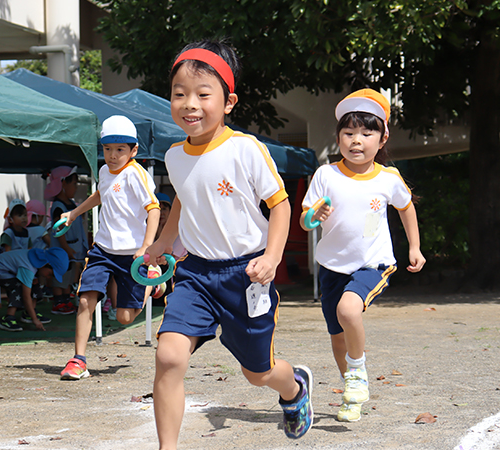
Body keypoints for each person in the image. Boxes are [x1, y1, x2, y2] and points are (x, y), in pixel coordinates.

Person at [144, 40, 313, 446]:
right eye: (180, 94)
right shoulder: (173, 156)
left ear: (229, 101)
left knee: (257, 373)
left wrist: (272, 257)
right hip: (196, 274)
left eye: (203, 95)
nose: (190, 104)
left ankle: (294, 390)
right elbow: (185, 196)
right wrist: (163, 243)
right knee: (168, 356)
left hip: (247, 274)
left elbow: (281, 206)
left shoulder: (245, 149)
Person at [300, 88, 426, 422]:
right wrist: (315, 216)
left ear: (382, 138)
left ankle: (357, 373)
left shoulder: (388, 178)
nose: (357, 140)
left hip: (374, 262)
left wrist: (414, 246)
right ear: (339, 137)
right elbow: (304, 219)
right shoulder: (326, 175)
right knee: (338, 338)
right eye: (349, 132)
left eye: (367, 133)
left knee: (349, 310)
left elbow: (406, 206)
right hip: (330, 266)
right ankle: (352, 392)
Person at [59, 115, 160, 381]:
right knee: (85, 300)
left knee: (125, 318)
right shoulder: (104, 171)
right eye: (107, 149)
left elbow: (154, 209)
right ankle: (78, 360)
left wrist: (147, 247)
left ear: (133, 150)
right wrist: (73, 213)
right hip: (103, 250)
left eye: (120, 150)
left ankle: (151, 281)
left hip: (132, 254)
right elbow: (101, 194)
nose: (112, 155)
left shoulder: (136, 175)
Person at [0, 247, 68, 332]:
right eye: (50, 274)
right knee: (20, 286)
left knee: (35, 283)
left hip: (10, 271)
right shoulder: (28, 268)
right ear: (46, 264)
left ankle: (29, 313)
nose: (48, 277)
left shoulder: (36, 260)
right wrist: (35, 320)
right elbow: (26, 296)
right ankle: (8, 318)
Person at [45, 166, 88, 315]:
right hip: (64, 249)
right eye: (74, 184)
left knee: (68, 274)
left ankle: (65, 300)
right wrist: (66, 248)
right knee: (61, 274)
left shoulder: (71, 204)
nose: (75, 188)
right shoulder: (58, 206)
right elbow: (58, 230)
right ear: (63, 184)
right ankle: (58, 302)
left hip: (72, 247)